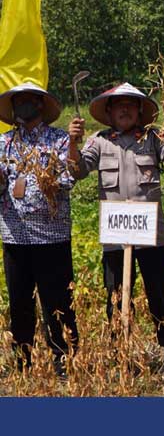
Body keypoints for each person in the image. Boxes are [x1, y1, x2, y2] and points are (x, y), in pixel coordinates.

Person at [68, 83, 164, 376]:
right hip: (115, 238)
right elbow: (78, 170)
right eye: (118, 105)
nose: (124, 109)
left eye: (130, 105)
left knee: (161, 296)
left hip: (151, 236)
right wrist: (72, 143)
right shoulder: (98, 142)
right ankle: (121, 356)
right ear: (108, 112)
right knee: (117, 298)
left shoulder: (153, 138)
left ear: (140, 111)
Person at [0, 83, 79, 376]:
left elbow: (70, 178)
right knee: (20, 300)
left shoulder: (58, 140)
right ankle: (24, 359)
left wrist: (49, 180)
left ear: (40, 105)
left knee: (57, 300)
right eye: (18, 101)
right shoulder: (4, 143)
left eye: (28, 101)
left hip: (52, 235)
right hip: (15, 236)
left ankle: (65, 358)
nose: (23, 106)